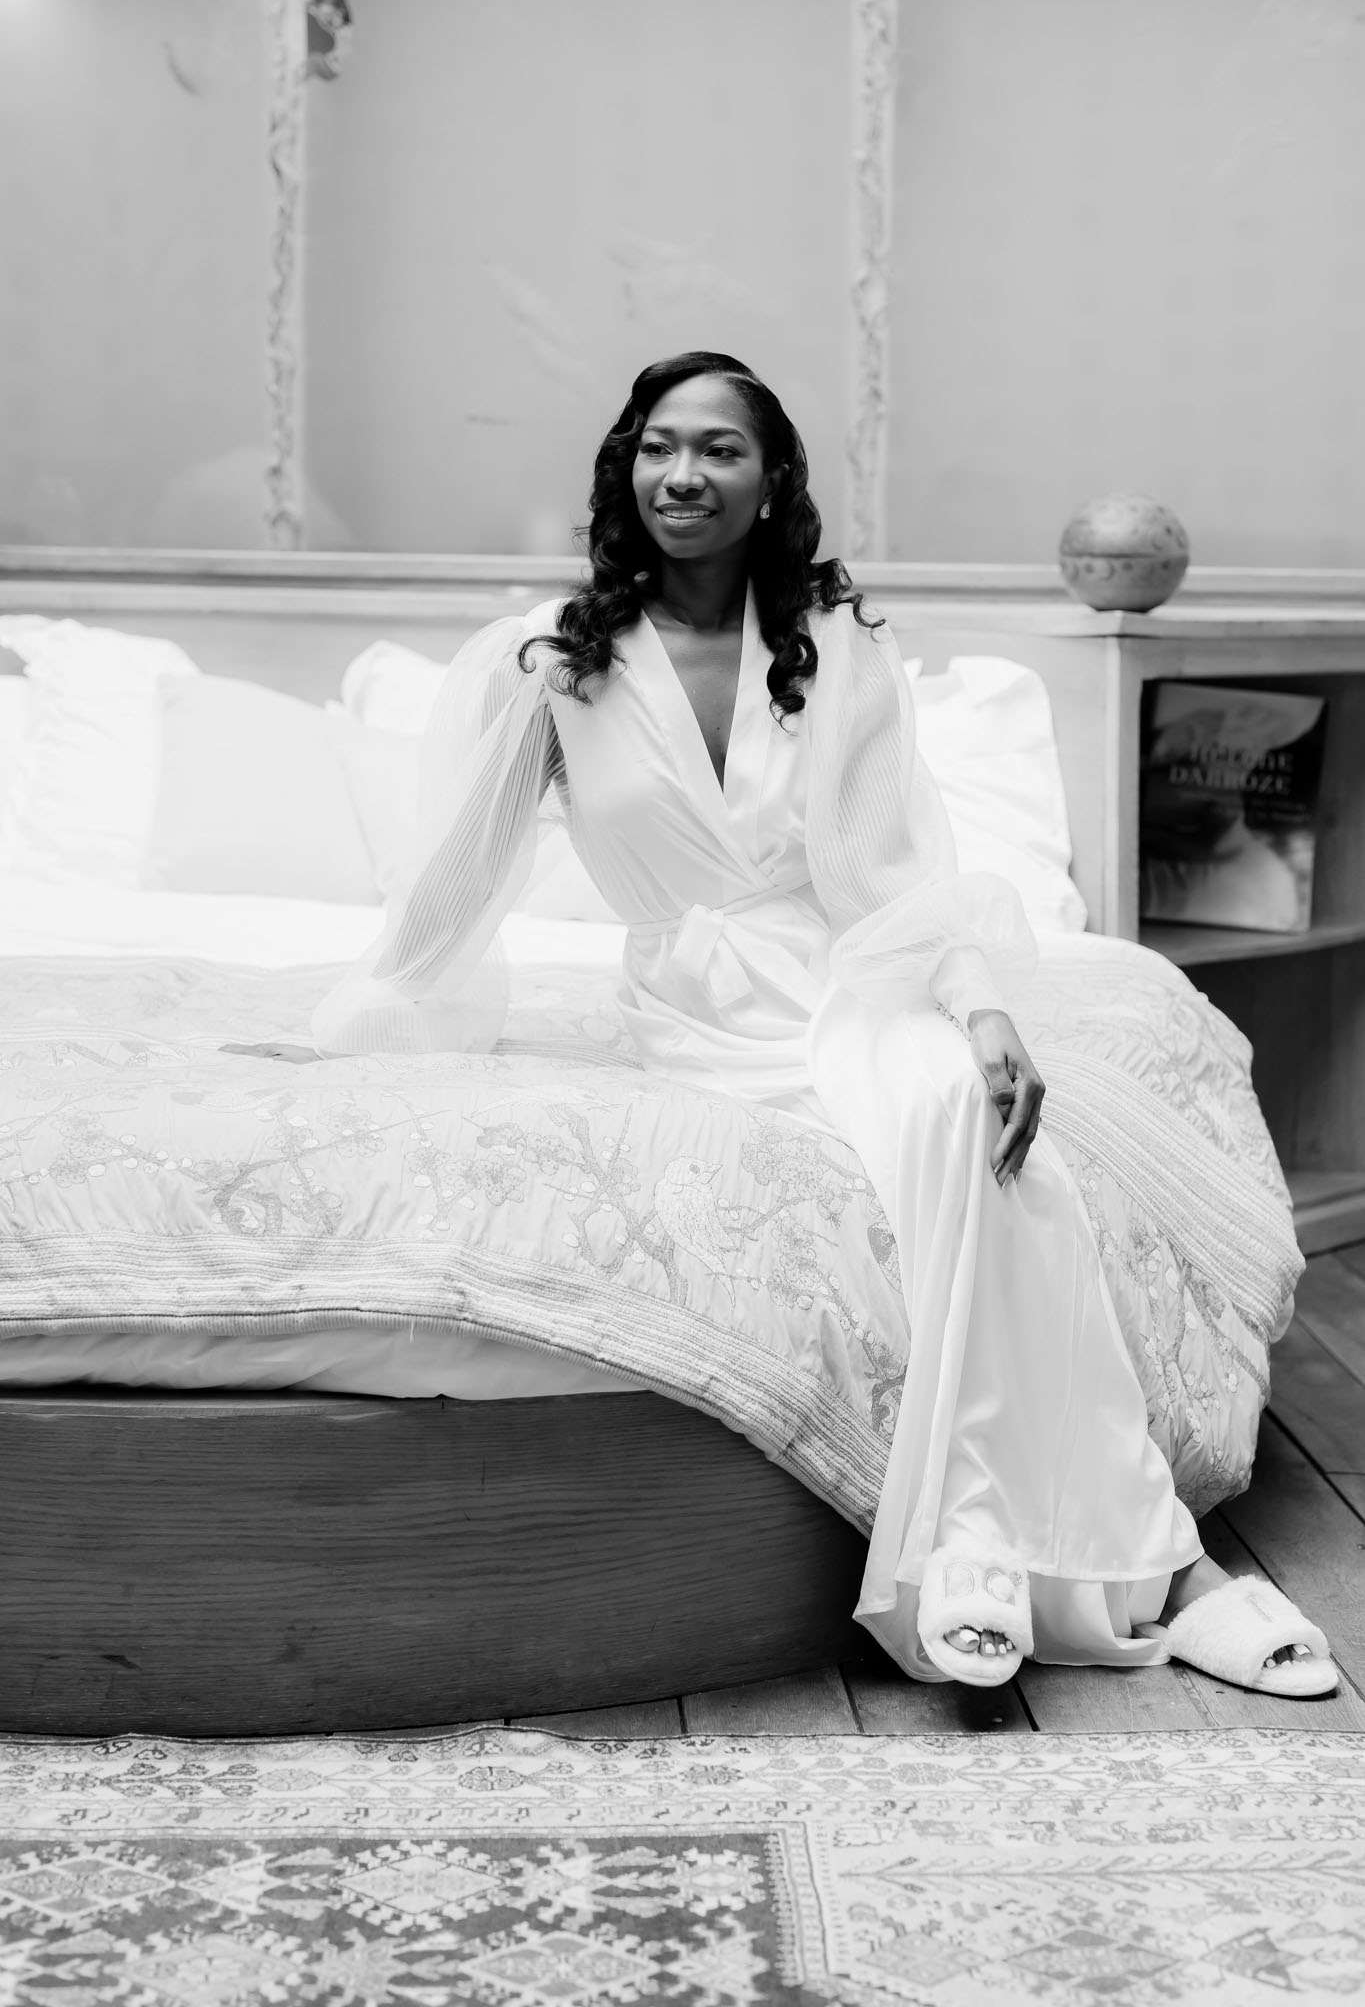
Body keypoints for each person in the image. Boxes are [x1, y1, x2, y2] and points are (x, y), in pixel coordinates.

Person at [230, 352, 1334, 1696]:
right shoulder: (551, 655)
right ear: (625, 467)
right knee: (951, 1147)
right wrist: (361, 1017)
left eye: (718, 450)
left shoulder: (837, 643)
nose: (681, 474)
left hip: (847, 979)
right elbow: (456, 873)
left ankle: (1009, 1549)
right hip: (690, 1014)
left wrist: (981, 1009)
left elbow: (894, 873)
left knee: (977, 1138)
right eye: (656, 446)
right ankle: (1158, 1567)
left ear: (771, 484)